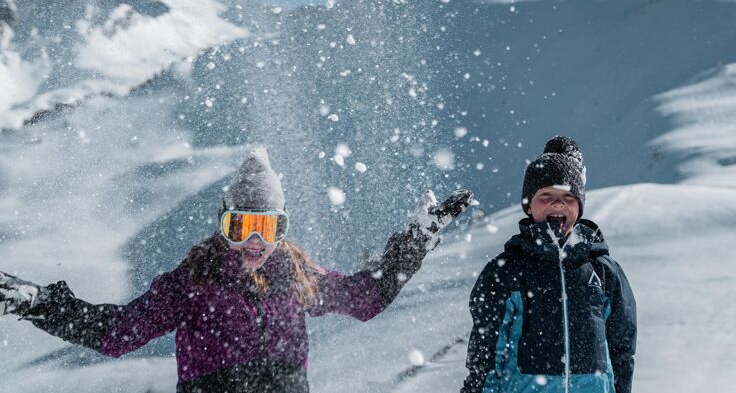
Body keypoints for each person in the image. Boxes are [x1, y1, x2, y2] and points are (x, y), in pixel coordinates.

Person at [0, 147, 472, 393]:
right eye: (241, 225)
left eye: (268, 227)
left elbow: (367, 299)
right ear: (223, 224)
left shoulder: (297, 277)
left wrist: (415, 239)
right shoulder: (192, 284)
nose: (254, 241)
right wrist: (40, 303)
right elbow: (118, 333)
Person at [461, 136, 636, 393]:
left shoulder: (603, 271)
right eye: (546, 195)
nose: (557, 203)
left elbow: (622, 348)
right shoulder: (508, 271)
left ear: (579, 206)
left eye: (568, 196)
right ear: (529, 206)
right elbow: (486, 351)